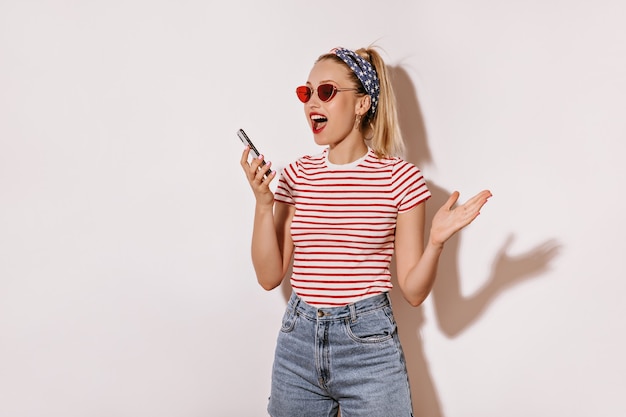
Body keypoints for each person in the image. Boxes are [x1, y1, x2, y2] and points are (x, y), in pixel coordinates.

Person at [240, 45, 492, 417]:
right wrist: (263, 205)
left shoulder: (400, 179)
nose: (312, 103)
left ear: (362, 104)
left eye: (326, 92)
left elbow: (414, 291)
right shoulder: (297, 176)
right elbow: (268, 276)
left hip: (368, 345)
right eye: (306, 93)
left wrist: (436, 242)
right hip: (297, 342)